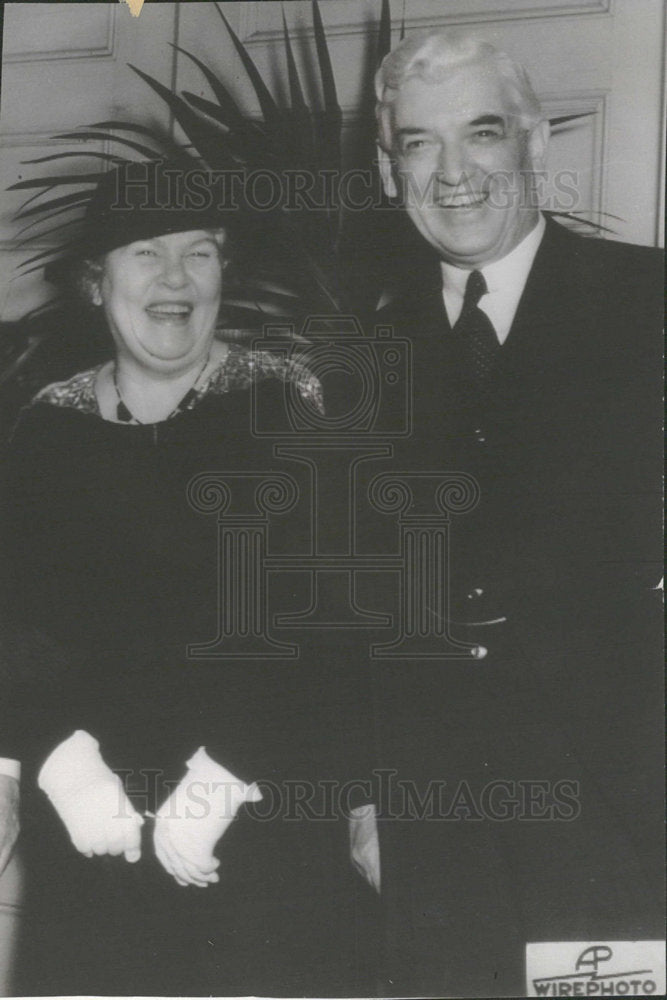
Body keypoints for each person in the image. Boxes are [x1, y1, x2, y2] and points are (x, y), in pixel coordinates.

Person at [0, 159, 378, 997]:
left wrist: (221, 780)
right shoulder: (46, 429)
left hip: (262, 821)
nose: (174, 277)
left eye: (199, 252)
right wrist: (61, 759)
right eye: (144, 252)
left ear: (222, 276)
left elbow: (331, 619)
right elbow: (16, 619)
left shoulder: (288, 404)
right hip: (96, 835)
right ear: (96, 284)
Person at [359, 30, 663, 996]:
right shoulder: (360, 349)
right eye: (417, 143)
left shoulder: (647, 303)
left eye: (480, 134)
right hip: (433, 824)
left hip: (623, 808)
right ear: (385, 165)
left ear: (534, 144)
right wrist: (364, 795)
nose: (450, 172)